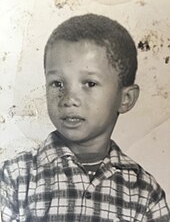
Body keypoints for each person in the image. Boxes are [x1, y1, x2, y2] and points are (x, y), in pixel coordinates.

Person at [0, 14, 170, 222]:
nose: (69, 99)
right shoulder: (15, 177)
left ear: (126, 98)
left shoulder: (144, 192)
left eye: (89, 83)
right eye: (57, 83)